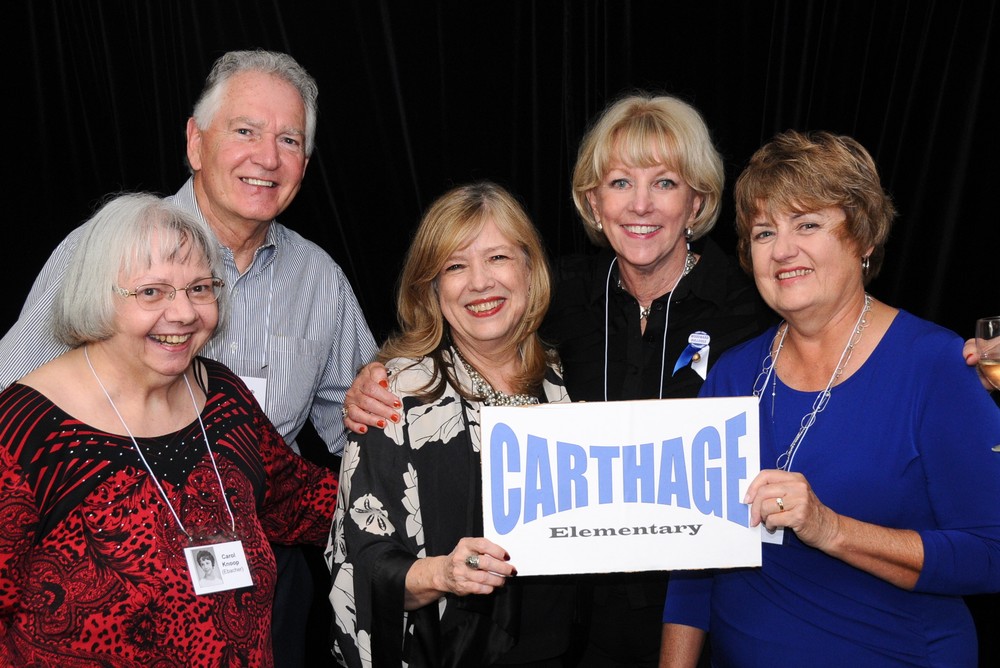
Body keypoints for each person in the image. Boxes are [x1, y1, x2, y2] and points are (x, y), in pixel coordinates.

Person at [343, 93, 774, 666]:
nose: (640, 204)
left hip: (707, 615)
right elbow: (474, 327)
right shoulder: (562, 301)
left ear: (697, 200)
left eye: (665, 183)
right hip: (566, 626)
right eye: (620, 183)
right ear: (594, 202)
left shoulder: (753, 313)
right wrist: (374, 380)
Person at [0, 50, 377, 666]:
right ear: (196, 143)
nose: (267, 157)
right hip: (103, 580)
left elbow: (347, 436)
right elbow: (15, 407)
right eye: (245, 130)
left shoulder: (316, 284)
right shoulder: (104, 249)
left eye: (288, 140)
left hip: (256, 554)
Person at [660, 130, 1000, 667]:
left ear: (863, 238)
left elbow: (989, 555)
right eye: (764, 231)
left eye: (808, 224)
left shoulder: (938, 365)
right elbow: (696, 560)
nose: (783, 250)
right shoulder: (732, 374)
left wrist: (829, 528)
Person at [0, 193, 339, 665]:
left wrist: (420, 503)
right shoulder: (24, 434)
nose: (183, 313)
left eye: (199, 288)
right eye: (151, 292)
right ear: (97, 297)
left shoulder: (221, 395)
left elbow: (299, 499)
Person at [327, 182, 576, 667]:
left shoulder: (563, 380)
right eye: (455, 266)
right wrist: (444, 574)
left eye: (498, 257)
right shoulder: (397, 396)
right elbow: (362, 566)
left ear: (530, 270)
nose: (480, 282)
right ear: (432, 287)